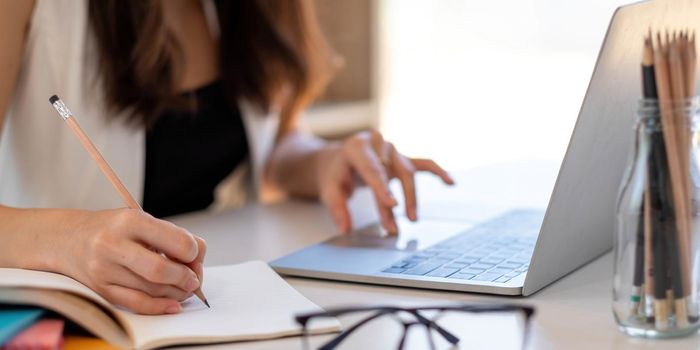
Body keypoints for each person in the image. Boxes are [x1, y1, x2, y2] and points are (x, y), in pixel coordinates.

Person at [0, 0, 453, 315]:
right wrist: (68, 241)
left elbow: (277, 139)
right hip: (82, 318)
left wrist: (323, 162)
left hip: (205, 309)